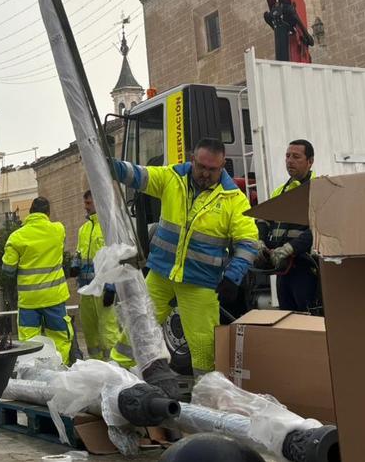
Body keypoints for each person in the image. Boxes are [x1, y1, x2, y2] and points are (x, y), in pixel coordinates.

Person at [108, 138, 260, 377]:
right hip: (162, 273)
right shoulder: (172, 178)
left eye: (212, 169)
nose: (205, 174)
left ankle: (206, 390)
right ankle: (115, 373)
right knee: (137, 324)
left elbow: (249, 242)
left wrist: (233, 276)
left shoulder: (233, 199)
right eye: (201, 166)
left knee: (203, 346)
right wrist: (109, 165)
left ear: (223, 166)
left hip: (200, 281)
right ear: (192, 160)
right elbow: (138, 175)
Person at [3, 197, 75, 364]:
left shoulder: (16, 237)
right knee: (59, 338)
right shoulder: (58, 230)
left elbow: (8, 270)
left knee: (29, 341)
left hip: (29, 300)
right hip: (54, 297)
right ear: (48, 213)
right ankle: (60, 368)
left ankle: (32, 371)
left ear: (30, 212)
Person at [260, 139, 320, 313]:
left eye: (296, 156)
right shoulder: (280, 191)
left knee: (307, 318)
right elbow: (264, 219)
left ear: (310, 161)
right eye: (287, 156)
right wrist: (260, 242)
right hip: (282, 270)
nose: (289, 161)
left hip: (305, 269)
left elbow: (318, 228)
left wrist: (289, 249)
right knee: (287, 318)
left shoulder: (318, 190)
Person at [69, 190, 120, 360]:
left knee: (108, 330)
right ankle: (97, 365)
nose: (85, 207)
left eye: (88, 203)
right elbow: (79, 253)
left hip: (103, 289)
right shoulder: (83, 229)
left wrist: (111, 287)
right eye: (85, 203)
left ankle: (115, 366)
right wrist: (74, 266)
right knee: (90, 331)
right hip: (86, 289)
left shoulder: (108, 227)